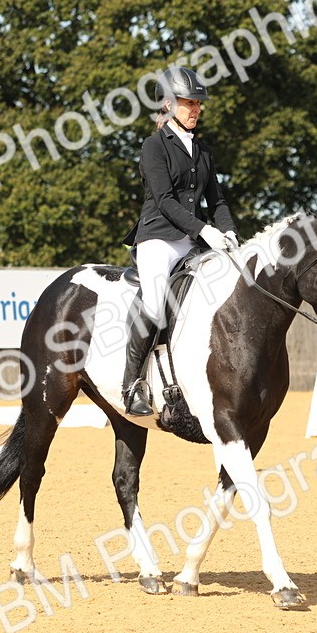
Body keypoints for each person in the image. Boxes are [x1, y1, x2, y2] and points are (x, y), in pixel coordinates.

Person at [121, 66, 238, 416]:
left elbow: (217, 201)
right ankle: (132, 385)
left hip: (193, 241)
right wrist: (205, 231)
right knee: (155, 303)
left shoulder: (203, 151)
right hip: (158, 238)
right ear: (169, 104)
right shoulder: (154, 146)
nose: (195, 109)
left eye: (198, 104)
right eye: (189, 103)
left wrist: (229, 232)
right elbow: (165, 201)